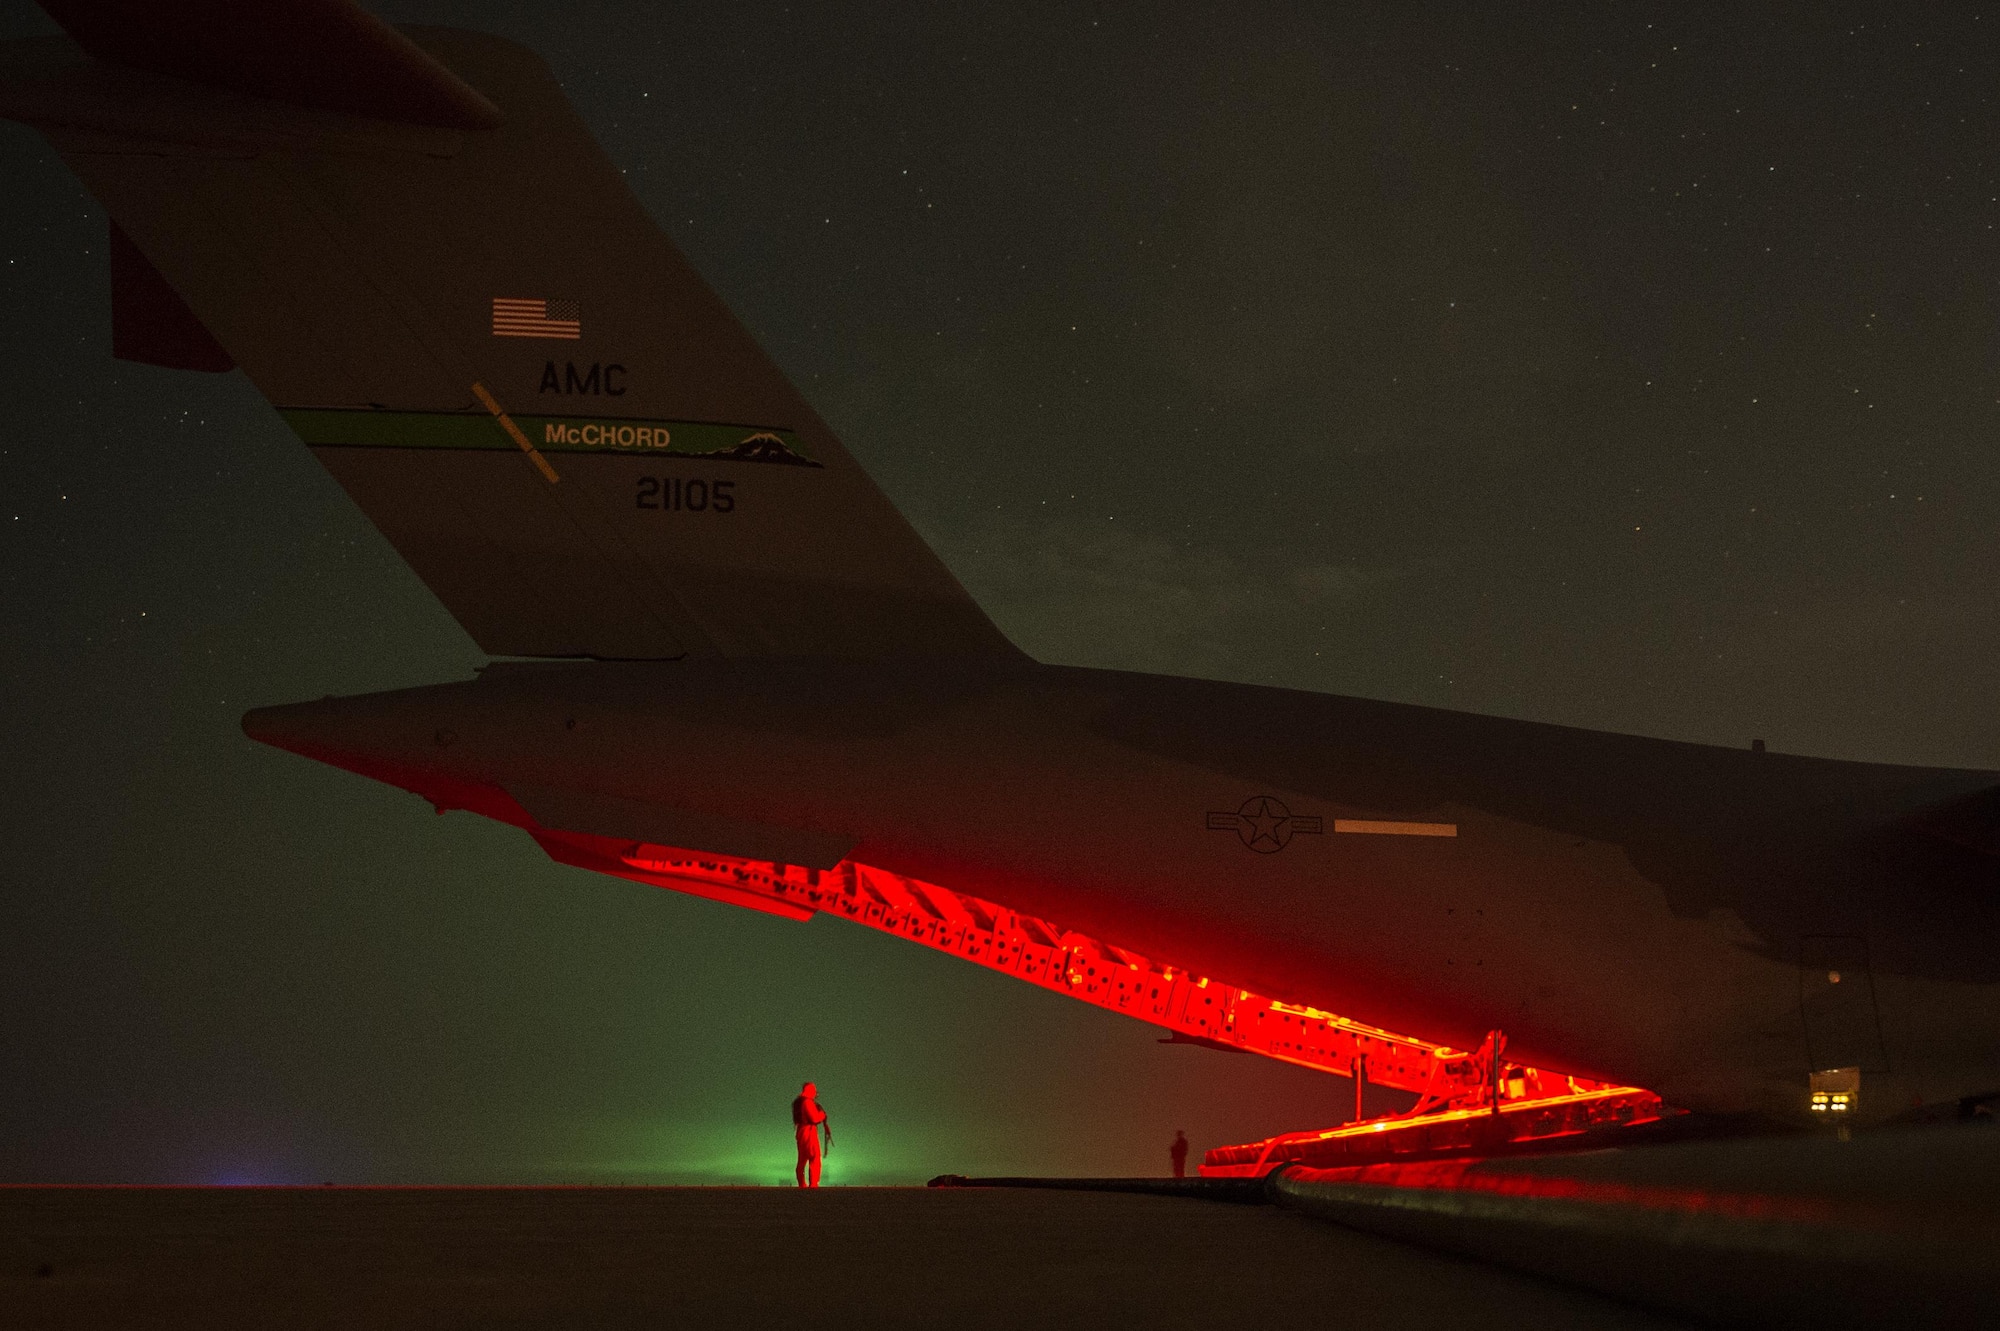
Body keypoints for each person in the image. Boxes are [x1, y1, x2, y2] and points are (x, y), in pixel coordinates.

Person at [792, 1082, 831, 1188]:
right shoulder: (807, 1102)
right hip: (809, 1132)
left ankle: (802, 1184)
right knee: (814, 1158)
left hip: (800, 1132)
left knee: (802, 1159)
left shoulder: (797, 1102)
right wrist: (822, 1115)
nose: (815, 1093)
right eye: (814, 1090)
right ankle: (813, 1184)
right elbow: (814, 1118)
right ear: (809, 1090)